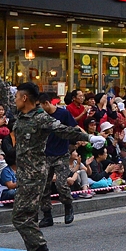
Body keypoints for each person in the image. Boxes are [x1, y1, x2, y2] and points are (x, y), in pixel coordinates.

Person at [0, 60, 94, 251]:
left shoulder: (40, 118)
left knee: (19, 216)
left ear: (25, 98)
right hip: (24, 172)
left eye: (17, 97)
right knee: (27, 216)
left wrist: (89, 137)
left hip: (35, 174)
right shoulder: (21, 114)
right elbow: (6, 93)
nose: (14, 100)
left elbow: (64, 130)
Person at [38, 93, 82, 227]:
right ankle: (47, 215)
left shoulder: (63, 114)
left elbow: (75, 128)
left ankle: (68, 206)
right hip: (45, 155)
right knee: (44, 186)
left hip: (61, 154)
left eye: (40, 105)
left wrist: (85, 138)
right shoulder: (40, 117)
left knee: (61, 184)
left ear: (46, 103)